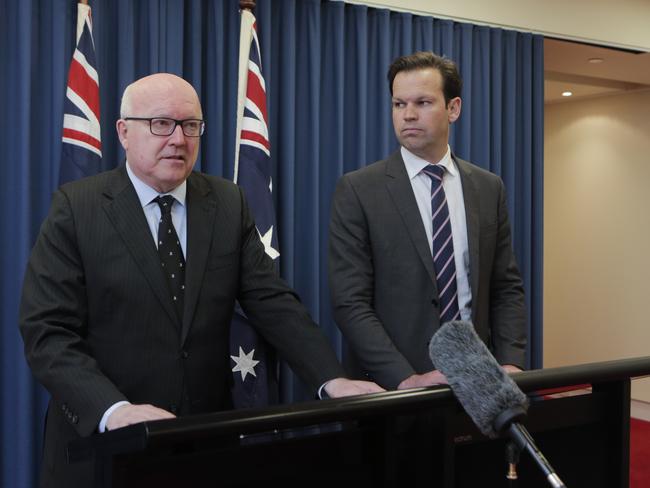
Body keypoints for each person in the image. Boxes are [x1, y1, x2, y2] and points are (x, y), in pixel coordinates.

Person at [19, 73, 383, 487]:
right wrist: (114, 410)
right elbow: (47, 331)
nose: (178, 139)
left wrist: (331, 379)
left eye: (190, 125)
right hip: (104, 450)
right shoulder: (77, 207)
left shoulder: (228, 202)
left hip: (200, 446)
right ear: (124, 131)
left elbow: (273, 302)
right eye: (161, 124)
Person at [328, 51, 527, 391]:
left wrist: (510, 363)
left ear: (453, 109)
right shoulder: (359, 189)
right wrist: (406, 378)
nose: (407, 115)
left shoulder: (487, 187)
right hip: (394, 391)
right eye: (398, 104)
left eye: (422, 102)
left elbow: (505, 287)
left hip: (477, 382)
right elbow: (350, 302)